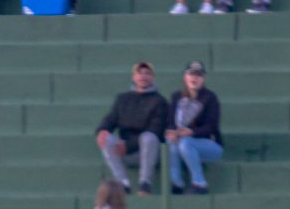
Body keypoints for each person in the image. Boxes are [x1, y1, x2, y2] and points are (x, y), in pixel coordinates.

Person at [95, 61, 167, 195]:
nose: (143, 76)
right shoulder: (122, 99)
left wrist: (129, 146)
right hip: (124, 153)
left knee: (149, 137)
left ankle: (145, 184)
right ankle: (123, 184)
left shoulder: (160, 101)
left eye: (147, 73)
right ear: (133, 77)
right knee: (106, 138)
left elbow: (155, 130)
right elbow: (111, 119)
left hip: (150, 153)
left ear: (152, 77)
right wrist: (102, 130)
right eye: (139, 73)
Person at [166, 59, 223, 195]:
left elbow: (211, 126)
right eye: (191, 74)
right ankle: (176, 182)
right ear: (185, 77)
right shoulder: (176, 97)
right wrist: (172, 131)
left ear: (203, 78)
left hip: (208, 144)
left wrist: (191, 132)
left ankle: (199, 182)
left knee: (185, 143)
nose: (194, 78)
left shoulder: (210, 98)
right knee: (172, 142)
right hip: (180, 142)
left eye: (198, 75)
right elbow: (170, 121)